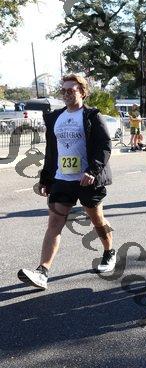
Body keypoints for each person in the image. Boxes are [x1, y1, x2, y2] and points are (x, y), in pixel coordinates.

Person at [17, 74, 116, 290]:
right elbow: (52, 151)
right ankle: (42, 271)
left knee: (97, 219)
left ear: (82, 92)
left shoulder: (91, 116)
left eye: (71, 90)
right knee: (54, 224)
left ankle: (109, 251)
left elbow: (104, 146)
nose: (66, 94)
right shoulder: (56, 117)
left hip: (87, 180)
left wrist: (92, 170)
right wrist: (46, 178)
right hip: (62, 179)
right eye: (63, 90)